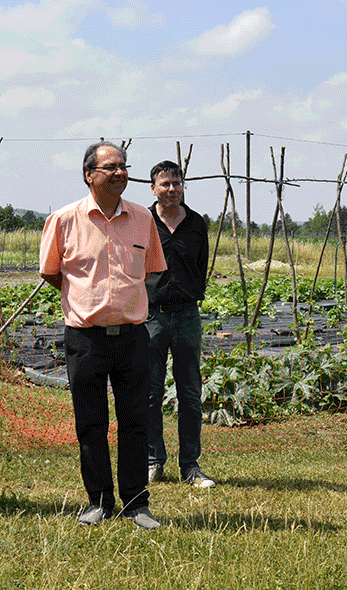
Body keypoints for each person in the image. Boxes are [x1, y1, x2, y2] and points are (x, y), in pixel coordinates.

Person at [39, 141, 168, 530]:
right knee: (90, 423)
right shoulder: (64, 220)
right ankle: (98, 501)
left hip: (131, 336)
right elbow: (51, 272)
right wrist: (86, 298)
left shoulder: (143, 218)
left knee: (134, 420)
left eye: (124, 166)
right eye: (110, 167)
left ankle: (136, 502)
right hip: (86, 338)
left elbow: (151, 270)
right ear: (89, 174)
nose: (120, 173)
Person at [143, 160, 215, 489]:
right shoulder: (143, 222)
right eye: (165, 184)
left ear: (183, 186)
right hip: (152, 317)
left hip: (187, 316)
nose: (172, 189)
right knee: (150, 393)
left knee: (190, 393)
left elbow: (201, 266)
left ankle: (191, 466)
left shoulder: (197, 223)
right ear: (153, 188)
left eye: (177, 183)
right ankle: (153, 460)